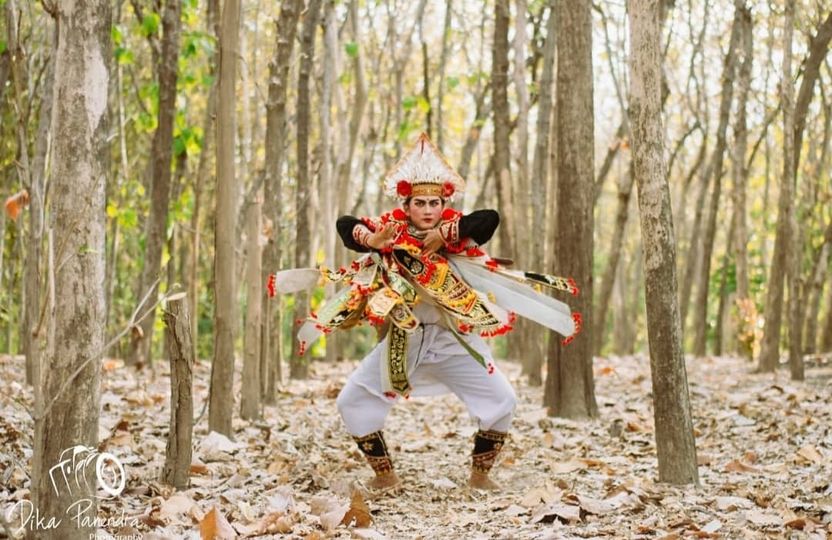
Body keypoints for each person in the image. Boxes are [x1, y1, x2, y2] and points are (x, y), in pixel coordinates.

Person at [269, 133, 579, 491]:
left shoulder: (458, 232)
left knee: (503, 400)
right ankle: (384, 476)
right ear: (407, 204)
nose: (428, 210)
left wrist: (445, 236)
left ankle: (480, 477)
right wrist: (373, 241)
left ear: (443, 204)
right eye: (420, 203)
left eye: (434, 202)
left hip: (454, 342)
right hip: (404, 343)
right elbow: (345, 224)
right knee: (351, 401)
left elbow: (489, 218)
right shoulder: (390, 230)